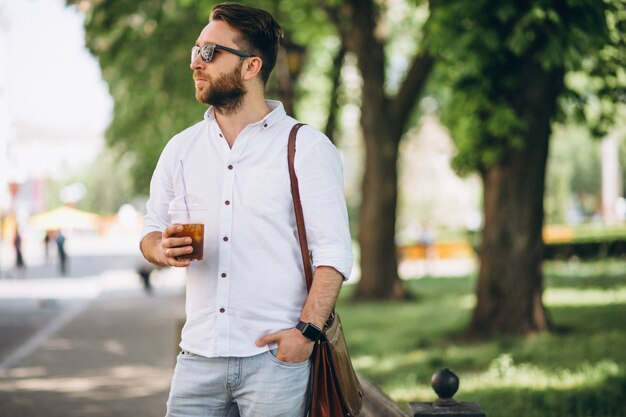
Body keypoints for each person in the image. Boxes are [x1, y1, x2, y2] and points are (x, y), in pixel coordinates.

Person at [139, 3, 353, 417]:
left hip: (274, 360)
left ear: (251, 66)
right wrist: (160, 250)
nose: (194, 63)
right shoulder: (180, 150)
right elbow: (151, 229)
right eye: (194, 50)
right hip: (197, 356)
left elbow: (334, 255)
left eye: (209, 53)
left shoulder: (306, 148)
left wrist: (305, 334)